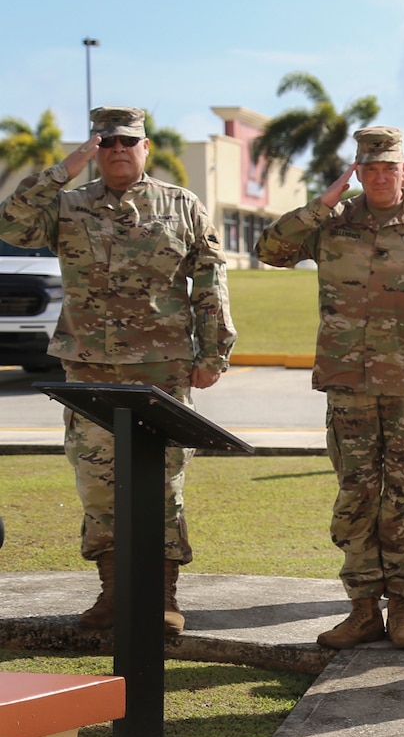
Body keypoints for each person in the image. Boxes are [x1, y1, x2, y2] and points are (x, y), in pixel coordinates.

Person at [0, 106, 235, 635]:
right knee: (98, 484)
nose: (117, 150)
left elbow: (210, 280)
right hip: (89, 372)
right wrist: (66, 167)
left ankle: (163, 597)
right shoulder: (68, 206)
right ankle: (113, 593)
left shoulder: (181, 205)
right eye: (106, 143)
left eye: (128, 141)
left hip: (163, 371)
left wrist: (213, 352)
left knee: (163, 483)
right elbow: (10, 222)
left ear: (145, 146)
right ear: (94, 150)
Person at [257, 127, 404, 650]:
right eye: (369, 166)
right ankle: (360, 610)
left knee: (403, 496)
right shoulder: (333, 222)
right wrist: (325, 199)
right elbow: (271, 249)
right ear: (357, 169)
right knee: (355, 496)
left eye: (389, 166)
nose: (380, 175)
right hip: (348, 384)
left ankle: (402, 609)